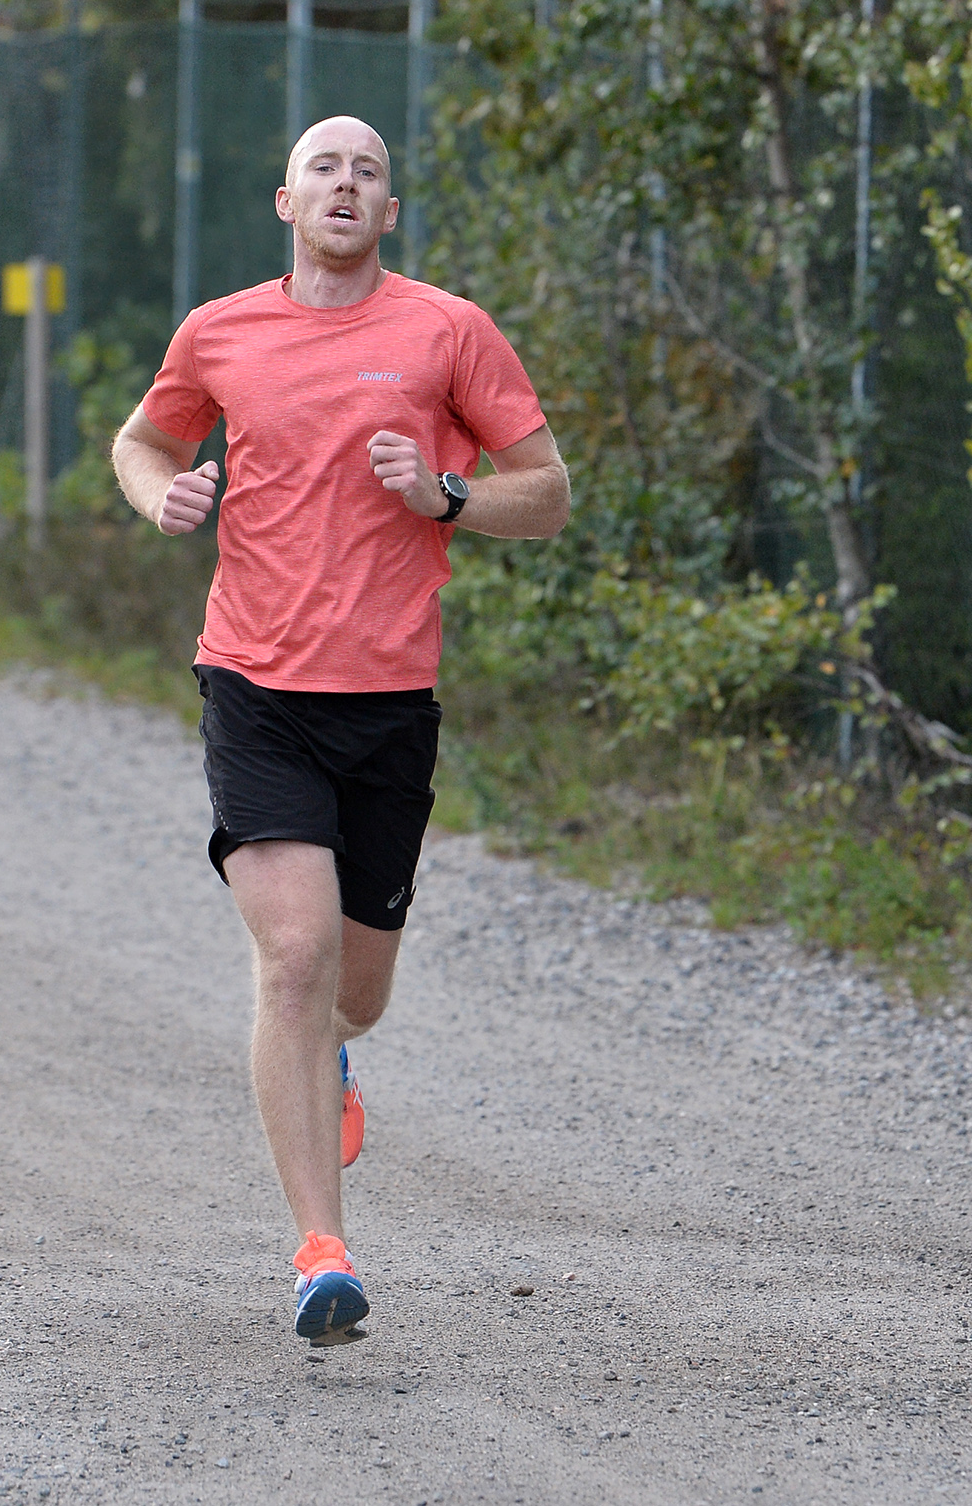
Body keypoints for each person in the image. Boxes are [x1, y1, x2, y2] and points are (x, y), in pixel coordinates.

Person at [113, 115, 571, 1341]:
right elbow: (143, 436)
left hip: (386, 702)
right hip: (254, 685)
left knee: (354, 993)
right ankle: (321, 1249)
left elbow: (549, 491)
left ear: (388, 211)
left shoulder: (445, 331)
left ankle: (335, 1056)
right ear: (284, 200)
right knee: (296, 958)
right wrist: (169, 492)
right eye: (325, 165)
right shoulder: (220, 331)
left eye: (368, 169)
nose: (346, 182)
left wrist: (448, 493)